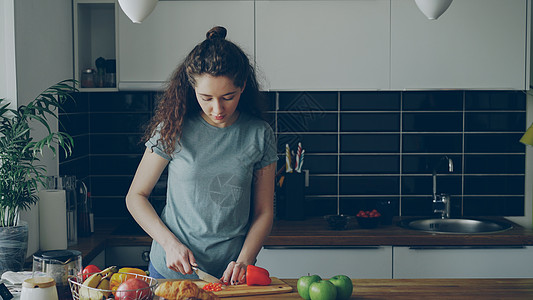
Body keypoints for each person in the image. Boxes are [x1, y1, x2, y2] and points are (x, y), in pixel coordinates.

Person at [125, 26, 277, 285]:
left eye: (228, 97)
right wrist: (169, 244)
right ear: (191, 88)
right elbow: (135, 197)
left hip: (231, 276)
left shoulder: (259, 134)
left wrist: (245, 260)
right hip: (170, 273)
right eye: (206, 97)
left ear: (242, 87)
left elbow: (264, 211)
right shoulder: (173, 128)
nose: (217, 109)